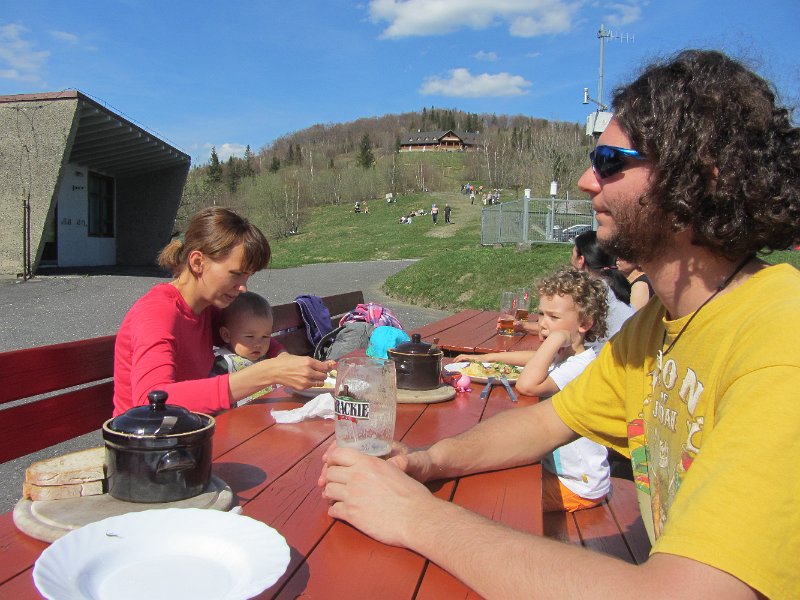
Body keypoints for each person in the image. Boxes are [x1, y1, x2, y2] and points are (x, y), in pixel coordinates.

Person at [319, 50, 800, 598]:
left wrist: (415, 517)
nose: (585, 180)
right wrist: (426, 462)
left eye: (610, 161)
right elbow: (546, 424)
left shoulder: (780, 343)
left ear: (702, 176)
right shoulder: (655, 330)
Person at [113, 206, 333, 417]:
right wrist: (268, 372)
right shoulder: (157, 312)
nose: (243, 287)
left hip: (193, 427)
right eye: (236, 274)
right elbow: (151, 401)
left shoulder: (208, 308)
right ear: (198, 262)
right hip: (148, 439)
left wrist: (285, 361)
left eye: (247, 276)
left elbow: (248, 334)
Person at [454, 267, 610, 512]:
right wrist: (487, 358)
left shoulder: (581, 367)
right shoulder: (568, 356)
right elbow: (533, 358)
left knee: (496, 498)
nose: (543, 324)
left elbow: (528, 385)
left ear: (585, 323)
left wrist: (555, 339)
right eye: (541, 314)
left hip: (575, 484)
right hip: (554, 468)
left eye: (554, 317)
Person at [210, 291, 284, 406]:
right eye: (250, 337)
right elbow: (215, 398)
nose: (258, 344)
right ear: (226, 335)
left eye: (265, 337)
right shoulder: (222, 364)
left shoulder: (266, 358)